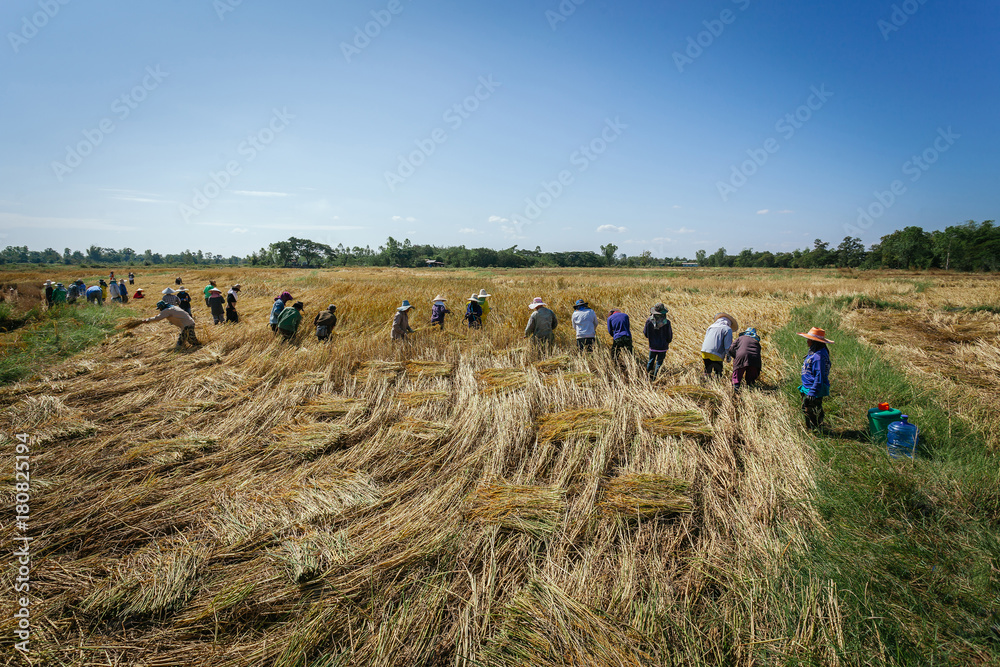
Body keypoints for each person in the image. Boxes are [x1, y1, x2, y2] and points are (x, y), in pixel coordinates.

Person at [798, 327, 833, 432]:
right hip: (810, 387)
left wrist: (812, 392)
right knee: (809, 408)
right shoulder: (817, 352)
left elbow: (819, 375)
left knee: (811, 411)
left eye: (809, 339)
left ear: (814, 341)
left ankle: (815, 431)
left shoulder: (818, 356)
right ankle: (814, 428)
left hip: (814, 389)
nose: (807, 341)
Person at [135, 300, 201, 349]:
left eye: (160, 308)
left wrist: (147, 320)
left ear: (162, 307)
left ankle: (199, 347)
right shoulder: (173, 307)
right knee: (182, 338)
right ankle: (180, 348)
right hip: (187, 323)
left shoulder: (167, 310)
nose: (159, 310)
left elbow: (158, 318)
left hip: (187, 324)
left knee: (191, 339)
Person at [701, 313, 737, 377]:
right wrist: (728, 356)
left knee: (707, 369)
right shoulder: (727, 329)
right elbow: (727, 345)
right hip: (717, 352)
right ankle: (716, 384)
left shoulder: (711, 327)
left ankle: (705, 383)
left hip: (704, 350)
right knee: (718, 371)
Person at [643, 303, 673, 380]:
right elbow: (669, 336)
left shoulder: (649, 321)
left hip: (652, 346)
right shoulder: (667, 322)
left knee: (650, 361)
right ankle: (655, 378)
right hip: (663, 346)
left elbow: (645, 333)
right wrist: (667, 342)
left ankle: (647, 376)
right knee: (659, 363)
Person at [728, 327, 762, 392]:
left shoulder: (740, 338)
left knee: (737, 375)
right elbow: (758, 352)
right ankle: (751, 390)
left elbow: (731, 349)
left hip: (741, 356)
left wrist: (736, 356)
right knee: (751, 379)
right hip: (755, 359)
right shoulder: (756, 341)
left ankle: (735, 390)